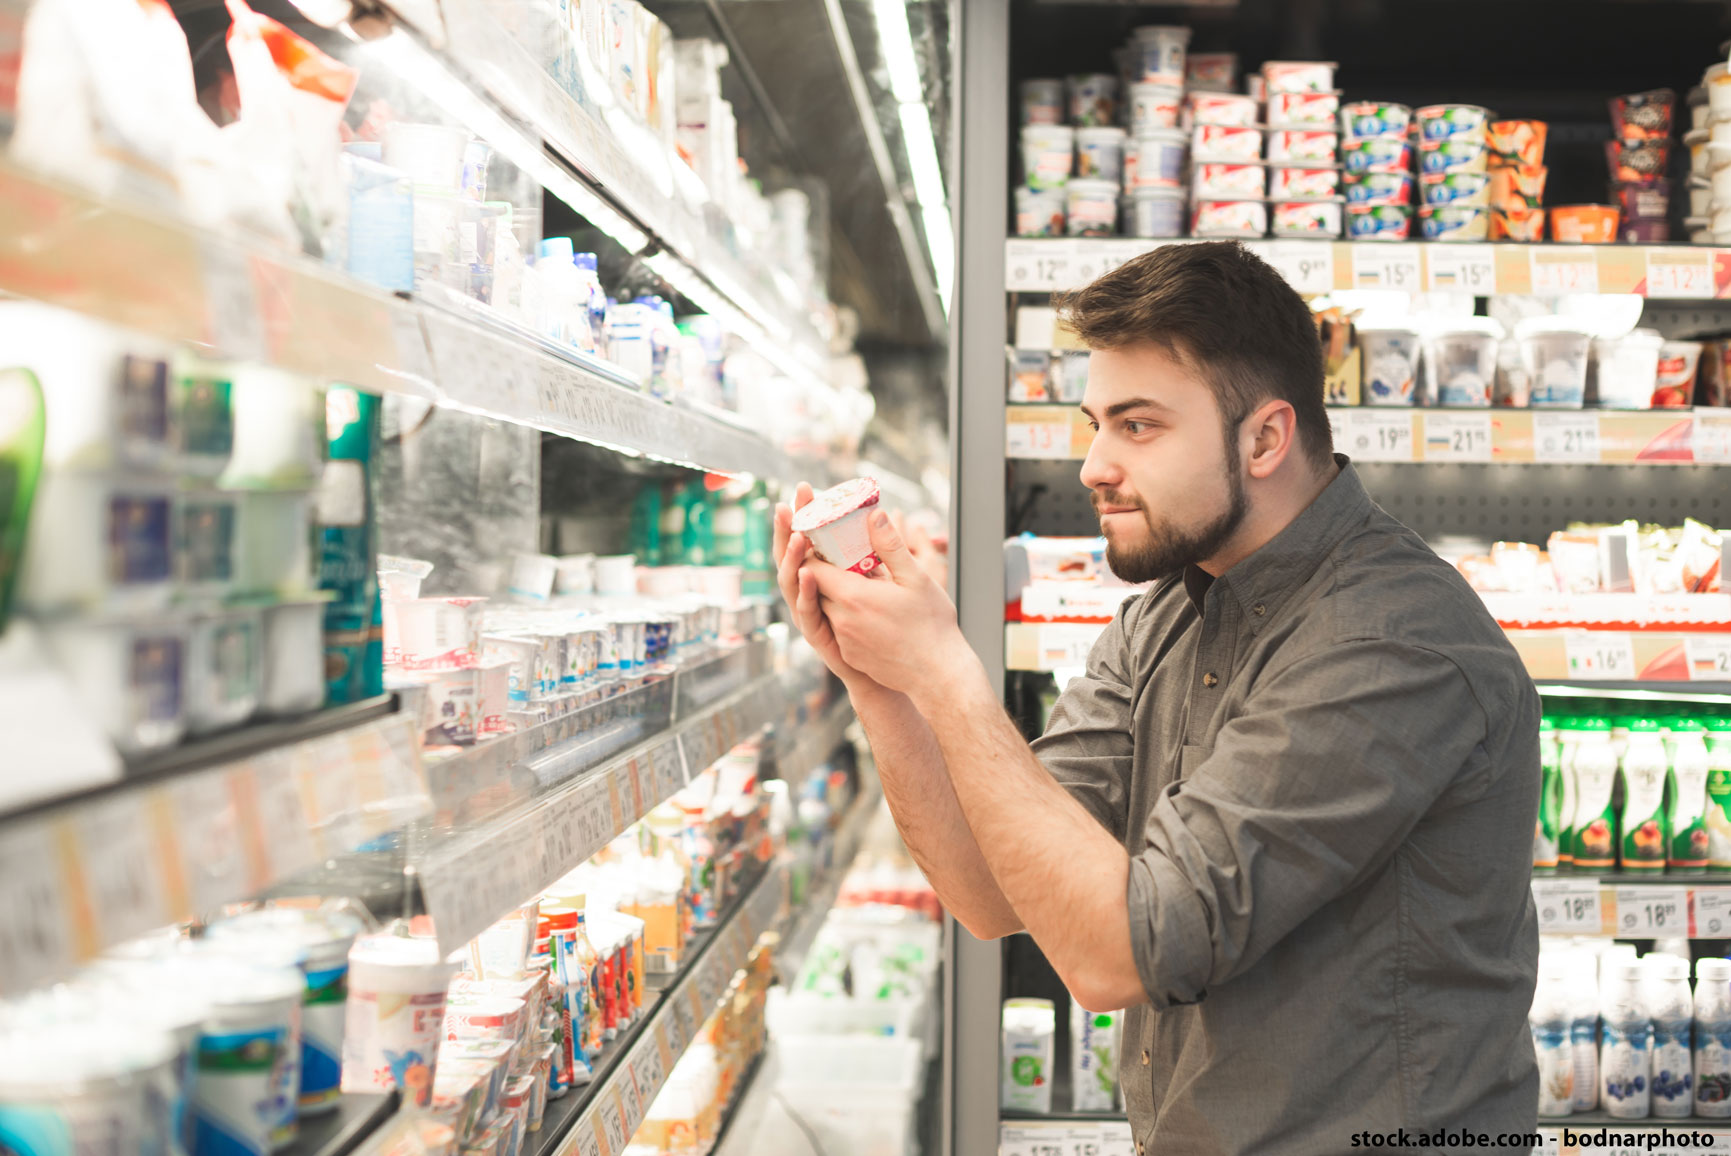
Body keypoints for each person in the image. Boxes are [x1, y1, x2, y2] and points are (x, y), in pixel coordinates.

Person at [773, 241, 1539, 1155]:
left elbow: (1117, 956)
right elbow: (989, 894)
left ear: (1264, 438)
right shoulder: (1163, 618)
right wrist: (884, 685)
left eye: (1136, 426)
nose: (1093, 464)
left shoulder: (1389, 642)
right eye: (1095, 422)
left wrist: (944, 668)